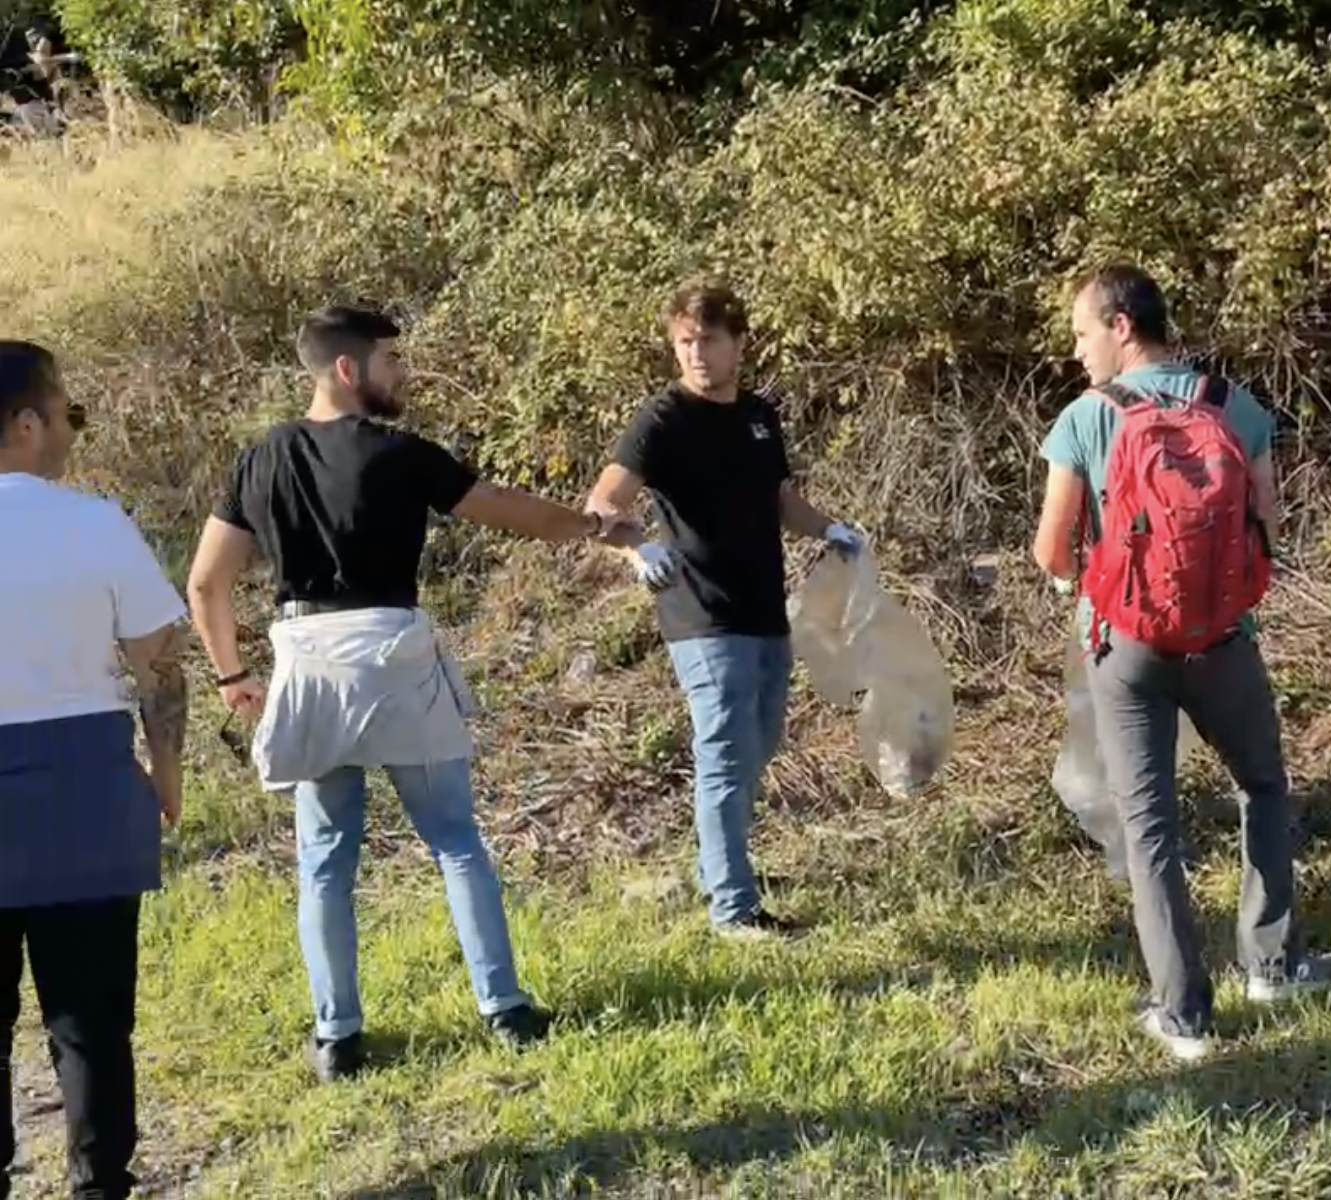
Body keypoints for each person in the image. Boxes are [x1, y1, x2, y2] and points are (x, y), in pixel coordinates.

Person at [184, 305, 646, 1081]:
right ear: (347, 369)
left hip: (306, 662)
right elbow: (506, 508)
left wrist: (232, 675)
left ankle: (338, 1037)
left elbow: (205, 583)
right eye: (390, 359)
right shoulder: (400, 453)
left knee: (326, 861)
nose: (402, 372)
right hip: (395, 658)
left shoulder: (260, 458)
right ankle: (505, 1011)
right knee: (456, 842)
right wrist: (594, 528)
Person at [1031, 263, 1331, 1063]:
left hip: (1124, 647)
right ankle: (1272, 964)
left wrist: (1089, 588)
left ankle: (1184, 1014)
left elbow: (1049, 549)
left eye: (1081, 331)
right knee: (1262, 786)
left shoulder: (1085, 418)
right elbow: (1267, 525)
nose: (1077, 349)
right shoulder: (1233, 407)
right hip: (1222, 639)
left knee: (1150, 825)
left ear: (1121, 326)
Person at [584, 280, 863, 939]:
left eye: (708, 339)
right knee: (724, 752)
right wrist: (635, 549)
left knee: (760, 743)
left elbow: (781, 502)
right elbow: (602, 505)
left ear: (738, 342)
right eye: (684, 341)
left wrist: (831, 530)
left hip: (764, 606)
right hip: (699, 611)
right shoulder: (662, 418)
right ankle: (733, 909)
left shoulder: (759, 417)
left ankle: (721, 865)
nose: (696, 353)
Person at [1, 341, 186, 1199]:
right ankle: (97, 1186)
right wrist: (168, 773)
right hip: (84, 787)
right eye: (68, 413)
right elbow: (157, 664)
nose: (73, 431)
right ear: (28, 423)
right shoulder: (95, 523)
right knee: (91, 1023)